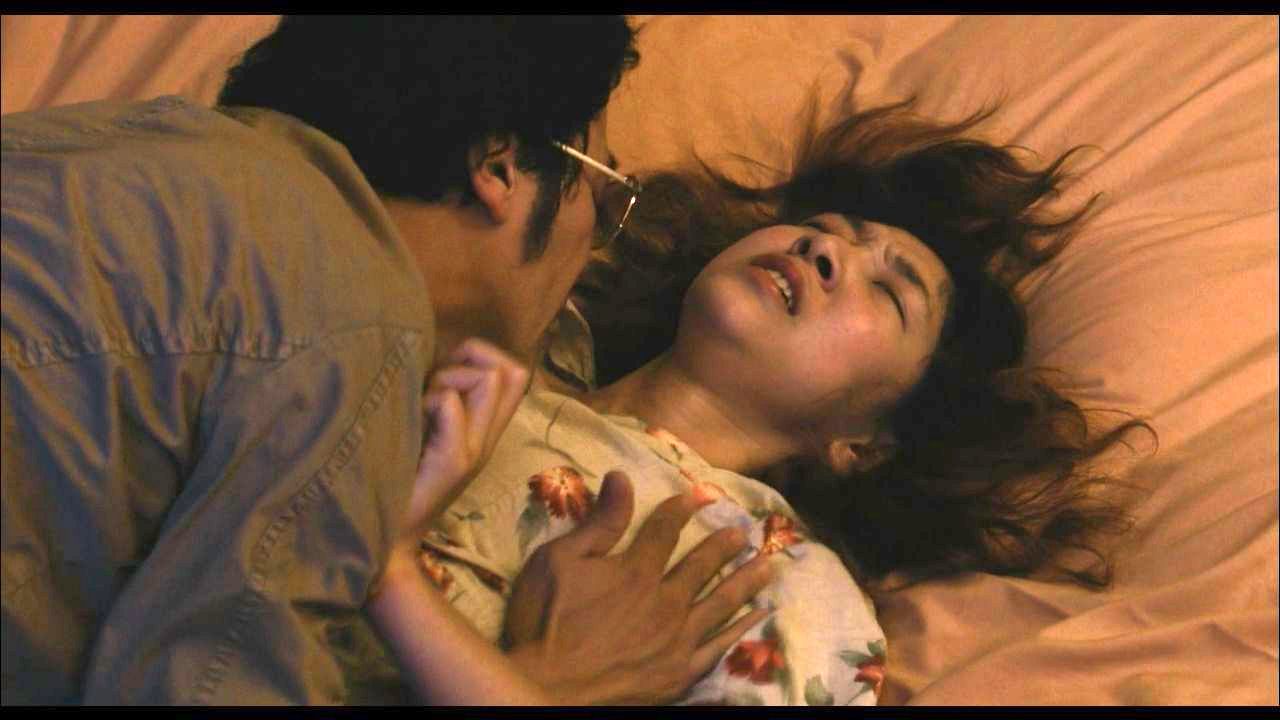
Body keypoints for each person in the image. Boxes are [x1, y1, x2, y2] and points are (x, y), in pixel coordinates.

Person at [0, 16, 769, 705]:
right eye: (602, 194)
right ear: (500, 167)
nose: (592, 248)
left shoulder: (122, 139)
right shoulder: (360, 314)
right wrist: (545, 688)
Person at [359, 99, 1155, 705]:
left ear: (864, 443)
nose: (826, 249)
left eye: (888, 291)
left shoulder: (781, 587)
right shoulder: (520, 337)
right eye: (824, 227)